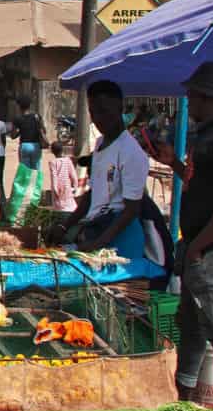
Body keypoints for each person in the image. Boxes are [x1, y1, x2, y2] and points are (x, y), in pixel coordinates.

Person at [151, 63, 213, 411]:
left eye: (193, 95)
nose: (189, 102)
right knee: (192, 328)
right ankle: (184, 402)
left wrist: (197, 247)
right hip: (199, 248)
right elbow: (200, 185)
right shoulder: (206, 136)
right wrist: (173, 164)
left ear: (210, 96)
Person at [59, 80, 166, 277]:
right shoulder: (100, 144)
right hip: (97, 229)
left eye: (104, 111)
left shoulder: (131, 152)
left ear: (120, 108)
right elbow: (94, 193)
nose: (99, 119)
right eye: (93, 112)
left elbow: (131, 209)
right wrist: (65, 225)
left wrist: (97, 244)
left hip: (120, 239)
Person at [45, 139, 81, 213]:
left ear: (52, 151)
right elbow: (73, 176)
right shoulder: (68, 161)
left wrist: (55, 190)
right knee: (70, 207)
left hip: (58, 189)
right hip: (67, 187)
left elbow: (54, 177)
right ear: (62, 149)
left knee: (59, 208)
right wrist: (75, 188)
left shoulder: (53, 163)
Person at [13, 100, 45, 173]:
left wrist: (21, 131)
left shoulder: (17, 119)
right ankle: (34, 184)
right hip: (36, 146)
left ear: (19, 107)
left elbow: (13, 136)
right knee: (35, 170)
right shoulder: (37, 117)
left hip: (24, 146)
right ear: (30, 106)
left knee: (25, 170)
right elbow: (44, 130)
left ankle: (26, 184)